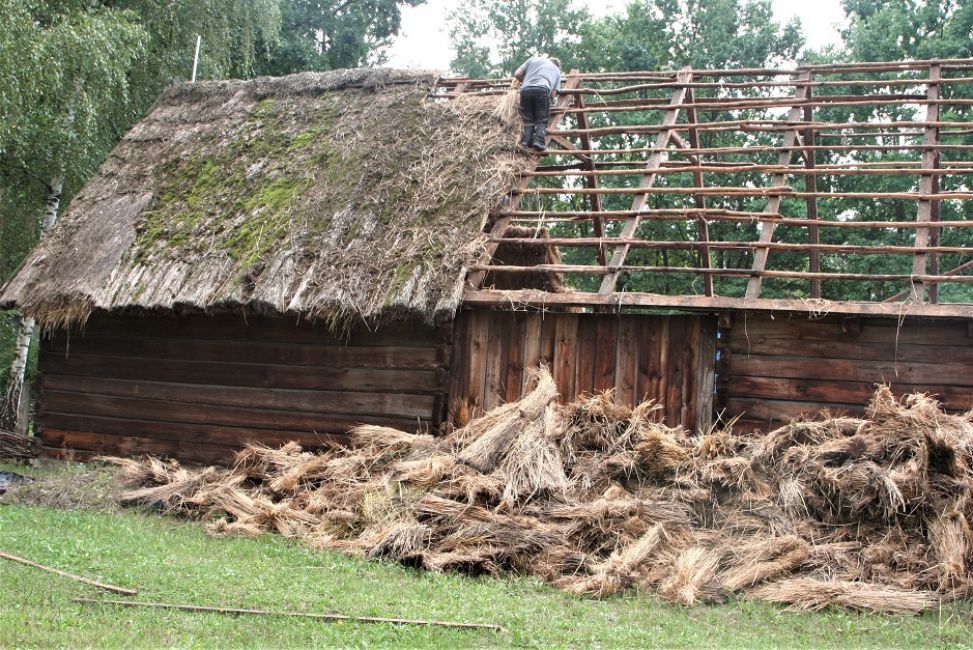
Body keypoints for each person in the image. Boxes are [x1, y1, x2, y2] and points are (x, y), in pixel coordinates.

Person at [514, 55, 561, 153]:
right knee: (542, 119)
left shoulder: (533, 59)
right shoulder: (556, 70)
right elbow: (553, 94)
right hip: (542, 89)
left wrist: (527, 82)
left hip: (525, 90)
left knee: (527, 119)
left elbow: (517, 74)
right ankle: (539, 142)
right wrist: (551, 101)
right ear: (557, 65)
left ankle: (526, 142)